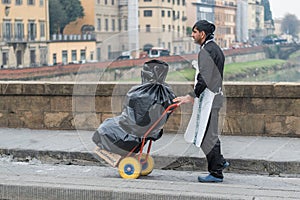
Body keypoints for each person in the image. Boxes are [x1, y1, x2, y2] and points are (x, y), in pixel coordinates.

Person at [174, 20, 229, 183]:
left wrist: (191, 95)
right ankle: (220, 162)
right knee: (210, 133)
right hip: (216, 96)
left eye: (195, 32)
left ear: (202, 34)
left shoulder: (206, 51)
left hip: (211, 99)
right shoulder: (214, 48)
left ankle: (216, 172)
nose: (192, 35)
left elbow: (204, 77)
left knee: (206, 137)